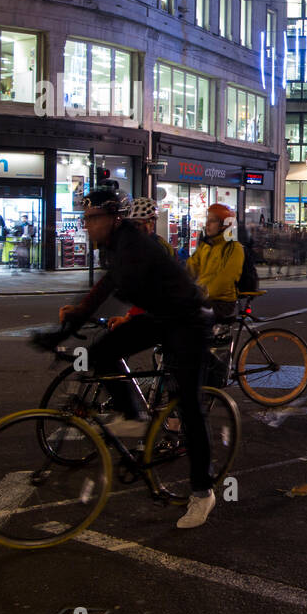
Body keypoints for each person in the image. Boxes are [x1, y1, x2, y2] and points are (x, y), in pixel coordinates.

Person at [54, 189, 217, 529]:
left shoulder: (134, 244)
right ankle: (132, 416)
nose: (87, 226)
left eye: (93, 218)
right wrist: (80, 311)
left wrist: (88, 315)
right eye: (85, 219)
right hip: (160, 318)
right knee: (101, 352)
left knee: (188, 405)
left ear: (114, 218)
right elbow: (109, 283)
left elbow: (124, 284)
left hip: (187, 321)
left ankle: (203, 492)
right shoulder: (113, 246)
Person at [187, 203, 244, 322]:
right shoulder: (206, 246)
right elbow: (190, 268)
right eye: (207, 220)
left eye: (212, 221)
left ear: (223, 225)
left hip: (222, 301)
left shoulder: (233, 247)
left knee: (193, 321)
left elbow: (225, 279)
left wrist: (201, 294)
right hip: (204, 298)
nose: (207, 224)